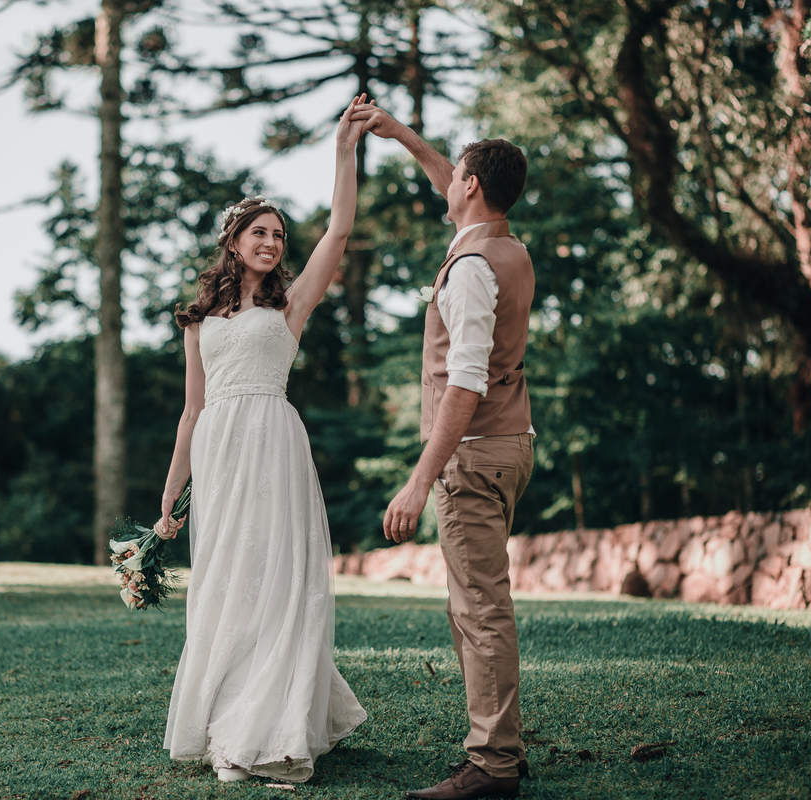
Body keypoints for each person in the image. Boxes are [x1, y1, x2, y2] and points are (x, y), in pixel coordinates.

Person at [155, 96, 371, 784]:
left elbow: (338, 231)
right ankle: (227, 718)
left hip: (275, 443)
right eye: (261, 231)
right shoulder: (199, 319)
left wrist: (344, 150)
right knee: (226, 584)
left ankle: (272, 730)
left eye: (279, 233)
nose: (273, 241)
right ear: (233, 240)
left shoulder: (292, 305)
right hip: (219, 452)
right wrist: (168, 501)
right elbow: (192, 412)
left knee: (279, 583)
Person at [352, 102, 536, 800]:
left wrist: (417, 480)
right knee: (476, 606)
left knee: (480, 610)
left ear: (472, 188)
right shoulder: (504, 246)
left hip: (475, 455)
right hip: (509, 443)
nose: (446, 181)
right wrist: (398, 133)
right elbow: (447, 178)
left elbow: (464, 383)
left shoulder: (469, 272)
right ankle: (499, 751)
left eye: (455, 175)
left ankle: (492, 765)